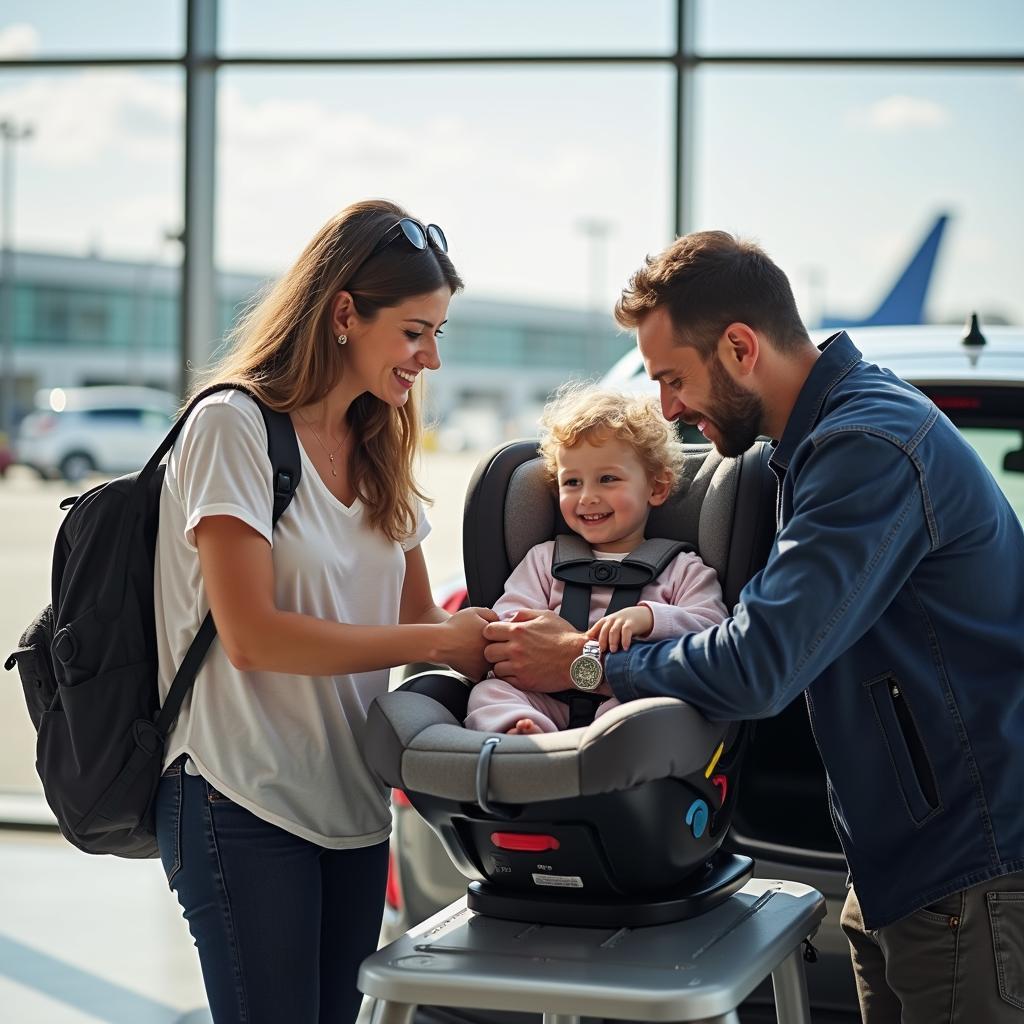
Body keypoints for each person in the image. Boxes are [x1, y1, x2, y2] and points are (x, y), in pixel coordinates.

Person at [481, 230, 1024, 1023]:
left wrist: (583, 667)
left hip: (964, 870)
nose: (665, 407)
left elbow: (758, 663)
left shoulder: (865, 448)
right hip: (897, 864)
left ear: (740, 346)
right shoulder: (814, 441)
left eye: (672, 378)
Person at [152, 199, 496, 1024]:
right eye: (416, 332)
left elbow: (420, 619)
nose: (432, 358)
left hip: (351, 806)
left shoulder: (381, 440)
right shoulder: (233, 427)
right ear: (344, 313)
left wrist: (520, 629)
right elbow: (252, 635)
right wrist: (437, 635)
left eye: (439, 333)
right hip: (241, 800)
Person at [464, 384, 728, 735]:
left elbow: (713, 631)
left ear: (657, 487)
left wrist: (650, 618)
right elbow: (508, 623)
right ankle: (526, 737)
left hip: (623, 696)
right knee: (490, 692)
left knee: (647, 709)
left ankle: (596, 752)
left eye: (608, 479)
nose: (587, 497)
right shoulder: (544, 561)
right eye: (572, 482)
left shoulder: (684, 569)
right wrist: (527, 626)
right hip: (542, 696)